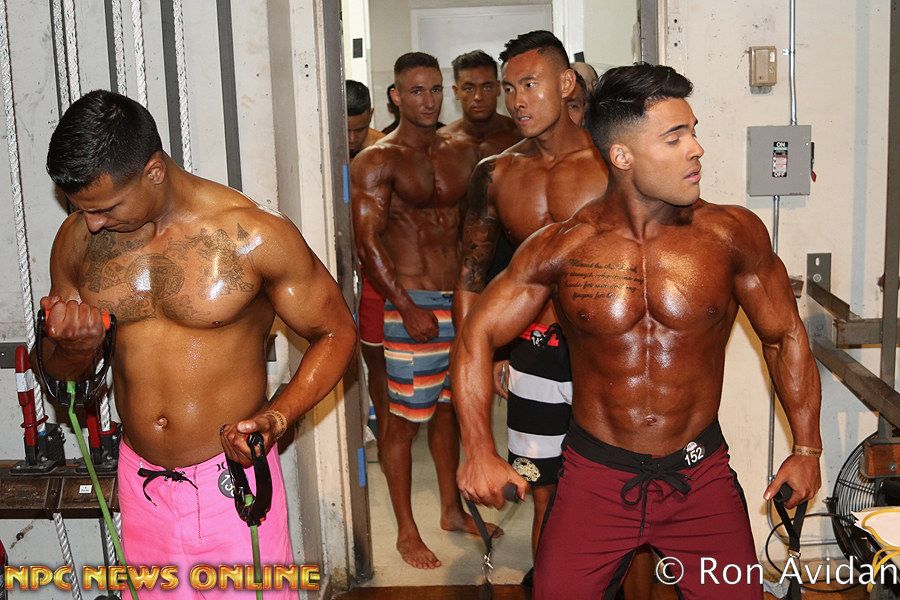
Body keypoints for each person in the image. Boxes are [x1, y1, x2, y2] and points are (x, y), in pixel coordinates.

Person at [454, 63, 822, 599]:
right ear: (622, 156)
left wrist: (807, 449)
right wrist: (477, 449)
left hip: (699, 477)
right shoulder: (562, 246)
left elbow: (783, 334)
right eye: (675, 138)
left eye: (693, 131)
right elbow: (477, 335)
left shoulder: (731, 234)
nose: (696, 149)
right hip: (594, 478)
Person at [40, 90, 357, 598]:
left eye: (106, 207)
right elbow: (59, 375)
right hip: (140, 482)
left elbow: (337, 332)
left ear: (153, 171)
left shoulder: (253, 236)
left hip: (233, 480)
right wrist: (74, 349)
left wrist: (278, 418)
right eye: (82, 209)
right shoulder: (77, 241)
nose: (92, 223)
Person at [453, 30, 609, 587]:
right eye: (509, 88)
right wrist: (485, 354)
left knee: (619, 496)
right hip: (534, 353)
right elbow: (471, 280)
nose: (517, 100)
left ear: (565, 84)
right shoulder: (495, 172)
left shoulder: (613, 161)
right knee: (546, 493)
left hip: (607, 356)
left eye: (529, 84)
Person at [350, 52, 494, 570]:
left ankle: (451, 510)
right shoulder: (377, 160)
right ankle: (406, 531)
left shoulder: (464, 152)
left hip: (460, 301)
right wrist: (405, 305)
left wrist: (478, 299)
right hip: (410, 302)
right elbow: (368, 242)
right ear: (395, 96)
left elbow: (475, 229)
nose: (428, 100)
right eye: (416, 91)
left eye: (435, 89)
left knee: (453, 410)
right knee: (403, 421)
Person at [439, 50, 522, 158]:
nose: (478, 97)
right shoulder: (440, 143)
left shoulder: (522, 136)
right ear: (456, 92)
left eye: (487, 87)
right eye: (469, 89)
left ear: (498, 88)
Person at [347, 79, 385, 159]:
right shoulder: (323, 146)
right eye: (345, 131)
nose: (352, 139)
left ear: (370, 115)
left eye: (359, 130)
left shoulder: (384, 151)